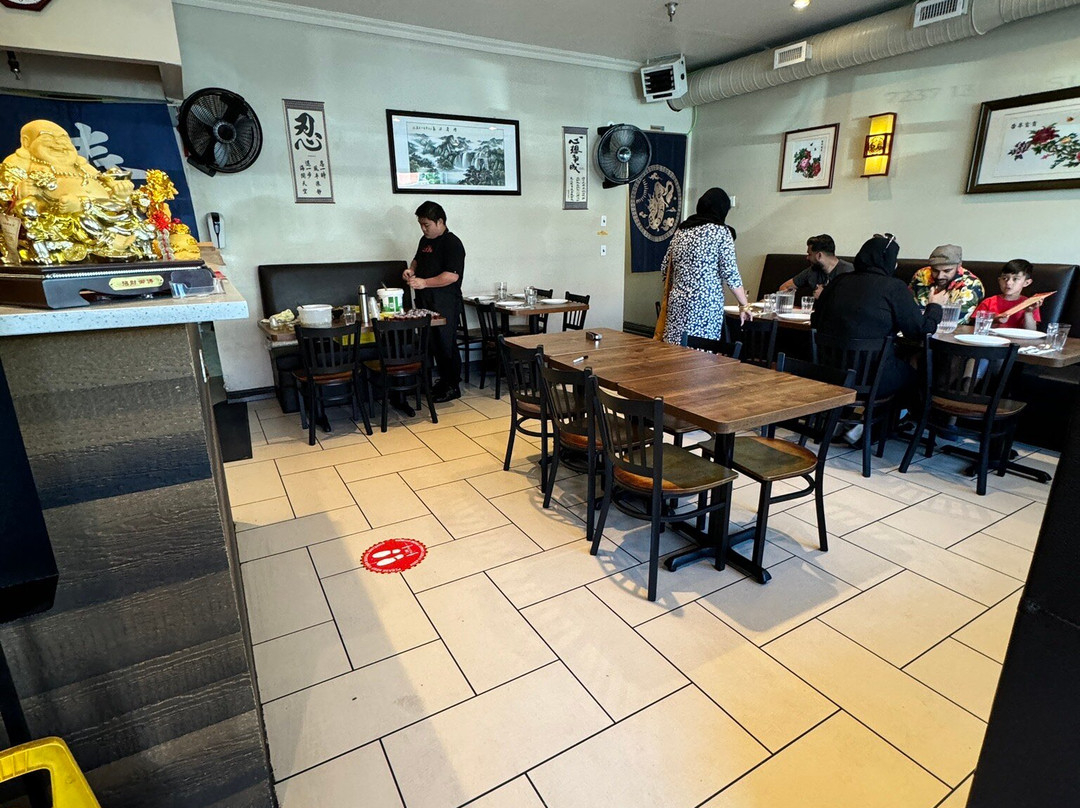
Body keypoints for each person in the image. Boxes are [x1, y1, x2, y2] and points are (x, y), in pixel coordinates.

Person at [813, 233, 946, 401]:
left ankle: (871, 415)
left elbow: (815, 321)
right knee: (916, 376)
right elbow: (921, 331)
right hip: (873, 379)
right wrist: (935, 306)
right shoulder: (894, 287)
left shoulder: (837, 281)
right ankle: (891, 418)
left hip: (830, 375)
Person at [657, 187, 751, 345]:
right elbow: (730, 274)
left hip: (677, 304)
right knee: (701, 355)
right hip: (705, 307)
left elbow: (665, 268)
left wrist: (681, 289)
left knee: (674, 353)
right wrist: (744, 305)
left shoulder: (681, 231)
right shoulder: (721, 232)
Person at [403, 201, 466, 403]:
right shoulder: (425, 240)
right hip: (425, 300)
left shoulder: (452, 243)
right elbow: (417, 259)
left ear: (440, 221)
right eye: (421, 225)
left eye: (427, 225)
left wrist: (424, 282)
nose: (423, 229)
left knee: (446, 344)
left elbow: (451, 276)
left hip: (445, 301)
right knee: (431, 344)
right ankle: (441, 382)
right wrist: (411, 270)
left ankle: (452, 385)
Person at [908, 244, 985, 325]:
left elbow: (954, 322)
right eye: (935, 270)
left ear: (959, 265)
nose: (940, 276)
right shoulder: (922, 275)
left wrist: (934, 305)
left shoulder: (972, 286)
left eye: (947, 271)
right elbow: (905, 309)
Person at [973, 259, 1043, 330]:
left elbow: (1031, 331)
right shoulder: (988, 302)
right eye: (1004, 278)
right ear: (999, 280)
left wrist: (1028, 312)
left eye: (1015, 279)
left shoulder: (1029, 304)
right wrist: (995, 320)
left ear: (1026, 283)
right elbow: (977, 327)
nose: (1008, 283)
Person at [778, 234, 854, 298]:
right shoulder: (812, 271)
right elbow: (784, 287)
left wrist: (824, 295)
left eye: (809, 254)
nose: (807, 258)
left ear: (819, 255)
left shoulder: (850, 272)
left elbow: (853, 302)